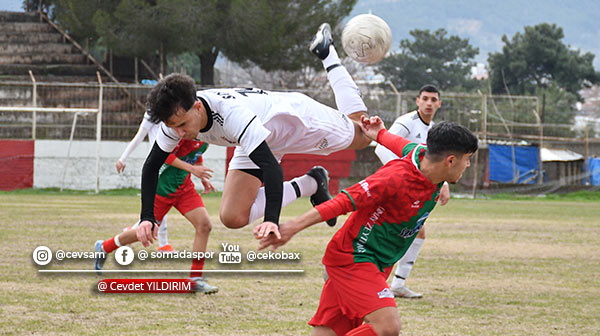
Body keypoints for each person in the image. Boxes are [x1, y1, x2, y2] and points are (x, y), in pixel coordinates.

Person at [134, 23, 374, 244]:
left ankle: (327, 54)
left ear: (197, 107)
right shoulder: (174, 119)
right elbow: (152, 165)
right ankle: (312, 182)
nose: (179, 133)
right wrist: (147, 217)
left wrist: (271, 218)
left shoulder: (231, 116)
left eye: (183, 124)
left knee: (363, 135)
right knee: (232, 216)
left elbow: (271, 167)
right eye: (173, 126)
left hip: (294, 122)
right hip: (257, 137)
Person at [259, 115, 478, 336]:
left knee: (329, 331)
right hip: (354, 258)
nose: (467, 164)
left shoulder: (421, 155)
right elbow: (342, 202)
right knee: (387, 328)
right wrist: (292, 227)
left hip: (377, 262)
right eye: (467, 159)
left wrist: (379, 133)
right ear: (450, 160)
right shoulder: (394, 179)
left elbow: (399, 144)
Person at [94, 112, 218, 294]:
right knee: (143, 232)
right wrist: (192, 168)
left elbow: (196, 156)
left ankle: (195, 279)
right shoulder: (180, 133)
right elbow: (165, 157)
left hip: (184, 189)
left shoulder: (204, 136)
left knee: (205, 225)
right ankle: (104, 247)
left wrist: (202, 176)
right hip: (162, 189)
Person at [374, 84, 450, 299]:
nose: (428, 103)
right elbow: (381, 148)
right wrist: (403, 175)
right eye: (425, 98)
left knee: (415, 230)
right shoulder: (406, 123)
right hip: (395, 186)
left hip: (414, 190)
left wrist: (443, 184)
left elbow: (434, 163)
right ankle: (379, 280)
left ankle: (396, 283)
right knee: (399, 231)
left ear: (439, 104)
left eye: (433, 99)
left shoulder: (434, 130)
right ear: (417, 101)